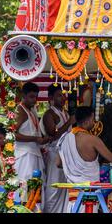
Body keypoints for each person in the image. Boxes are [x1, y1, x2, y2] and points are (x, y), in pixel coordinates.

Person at [57, 106, 112, 183]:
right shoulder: (93, 139)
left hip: (72, 189)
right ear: (87, 121)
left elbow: (58, 163)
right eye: (93, 120)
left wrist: (74, 169)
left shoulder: (64, 138)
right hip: (91, 189)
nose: (94, 123)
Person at [41, 84, 75, 213]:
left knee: (64, 189)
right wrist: (68, 123)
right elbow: (53, 135)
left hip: (65, 156)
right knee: (53, 188)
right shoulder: (49, 114)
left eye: (64, 95)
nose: (63, 98)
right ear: (51, 97)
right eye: (59, 95)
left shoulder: (64, 113)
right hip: (54, 155)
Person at [14, 82, 50, 181]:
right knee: (26, 186)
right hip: (25, 155)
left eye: (36, 97)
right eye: (31, 97)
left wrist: (43, 139)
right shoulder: (20, 110)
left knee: (37, 187)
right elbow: (12, 134)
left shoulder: (31, 110)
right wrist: (35, 139)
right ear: (23, 95)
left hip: (34, 153)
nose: (34, 100)